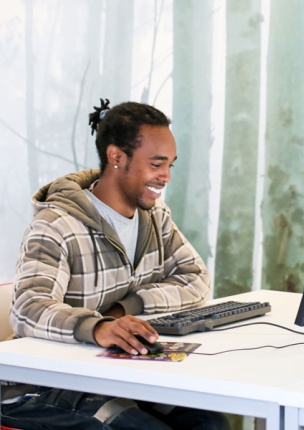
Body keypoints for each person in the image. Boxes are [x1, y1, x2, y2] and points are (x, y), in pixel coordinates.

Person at [1, 100, 231, 430]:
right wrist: (98, 327)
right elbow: (28, 309)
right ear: (116, 157)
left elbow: (195, 278)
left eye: (170, 166)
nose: (165, 176)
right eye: (156, 164)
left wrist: (126, 309)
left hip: (107, 375)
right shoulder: (57, 224)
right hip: (35, 388)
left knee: (209, 424)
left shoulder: (155, 217)